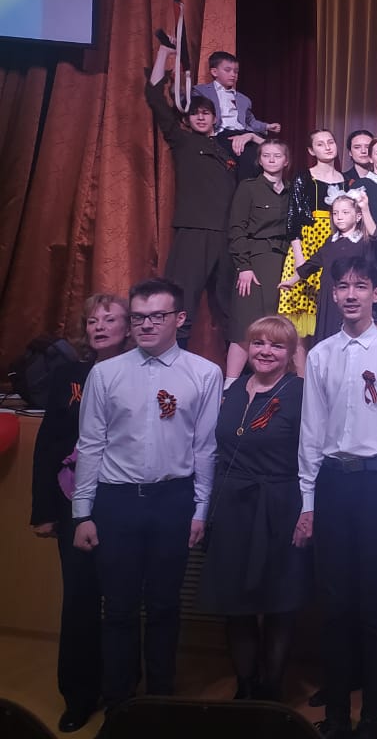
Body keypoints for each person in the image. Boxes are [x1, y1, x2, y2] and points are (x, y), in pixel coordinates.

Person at [72, 279, 222, 712]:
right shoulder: (106, 373)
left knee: (164, 606)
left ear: (179, 319)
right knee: (118, 608)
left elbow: (205, 448)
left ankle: (159, 701)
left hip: (173, 501)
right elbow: (90, 445)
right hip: (116, 501)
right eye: (138, 317)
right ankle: (119, 703)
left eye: (157, 316)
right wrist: (82, 513)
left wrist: (201, 509)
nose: (146, 325)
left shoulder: (204, 373)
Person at [295, 255, 377, 739]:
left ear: (376, 293)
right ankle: (336, 716)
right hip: (333, 482)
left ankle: (371, 714)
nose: (351, 294)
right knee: (335, 604)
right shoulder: (321, 355)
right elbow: (311, 433)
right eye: (343, 286)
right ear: (333, 294)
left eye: (360, 286)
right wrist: (308, 502)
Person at [30, 294, 131, 733]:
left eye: (110, 319)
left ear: (129, 328)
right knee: (79, 601)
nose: (100, 326)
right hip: (72, 503)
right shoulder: (68, 376)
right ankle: (78, 695)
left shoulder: (140, 373)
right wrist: (44, 510)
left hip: (124, 502)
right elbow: (49, 443)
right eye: (92, 320)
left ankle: (122, 692)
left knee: (123, 603)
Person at [198, 315, 308, 701]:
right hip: (232, 507)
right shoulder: (230, 390)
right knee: (237, 604)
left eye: (277, 345)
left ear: (291, 354)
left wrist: (308, 512)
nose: (265, 351)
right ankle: (245, 689)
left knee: (278, 605)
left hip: (280, 507)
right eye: (258, 343)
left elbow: (312, 457)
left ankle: (271, 692)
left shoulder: (301, 392)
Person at [143, 68, 236, 346]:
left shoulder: (226, 148)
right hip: (195, 230)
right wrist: (164, 54)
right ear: (187, 118)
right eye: (195, 113)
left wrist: (252, 137)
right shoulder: (183, 141)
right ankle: (170, 357)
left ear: (215, 118)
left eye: (206, 113)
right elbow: (155, 98)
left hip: (227, 234)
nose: (200, 117)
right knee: (181, 299)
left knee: (232, 306)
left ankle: (242, 367)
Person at [278, 191, 377, 344]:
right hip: (329, 298)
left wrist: (365, 209)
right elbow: (311, 264)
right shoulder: (330, 241)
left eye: (345, 212)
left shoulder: (365, 242)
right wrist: (291, 281)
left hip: (352, 299)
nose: (339, 217)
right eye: (335, 213)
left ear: (358, 217)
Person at [227, 140, 290, 379]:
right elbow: (237, 228)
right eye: (266, 155)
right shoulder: (249, 188)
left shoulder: (292, 191)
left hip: (283, 263)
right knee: (245, 325)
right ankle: (230, 384)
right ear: (259, 160)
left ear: (286, 160)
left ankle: (271, 382)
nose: (272, 160)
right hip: (255, 262)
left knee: (277, 327)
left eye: (277, 155)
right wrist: (243, 266)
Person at [280, 130, 345, 346]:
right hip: (307, 242)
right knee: (301, 309)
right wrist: (300, 259)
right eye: (320, 144)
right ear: (311, 150)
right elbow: (294, 219)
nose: (327, 147)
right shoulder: (304, 176)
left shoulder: (345, 180)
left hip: (333, 240)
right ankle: (301, 367)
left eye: (330, 142)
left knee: (326, 309)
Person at [191, 51, 280, 182]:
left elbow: (250, 121)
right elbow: (187, 105)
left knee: (263, 156)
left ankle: (258, 190)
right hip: (221, 134)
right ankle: (244, 191)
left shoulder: (243, 99)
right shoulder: (201, 91)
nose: (233, 74)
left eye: (236, 71)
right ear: (214, 72)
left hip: (243, 133)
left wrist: (267, 126)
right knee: (247, 158)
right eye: (228, 70)